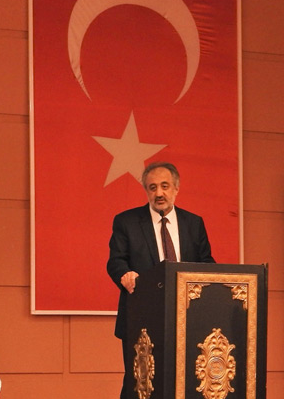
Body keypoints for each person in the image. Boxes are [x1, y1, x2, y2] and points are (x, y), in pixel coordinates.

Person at [106, 161, 215, 398]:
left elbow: (207, 264)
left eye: (165, 186)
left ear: (176, 189)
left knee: (185, 382)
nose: (159, 193)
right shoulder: (126, 222)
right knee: (139, 384)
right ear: (146, 190)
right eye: (152, 187)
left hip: (187, 318)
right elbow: (116, 261)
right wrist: (125, 275)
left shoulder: (193, 223)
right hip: (141, 317)